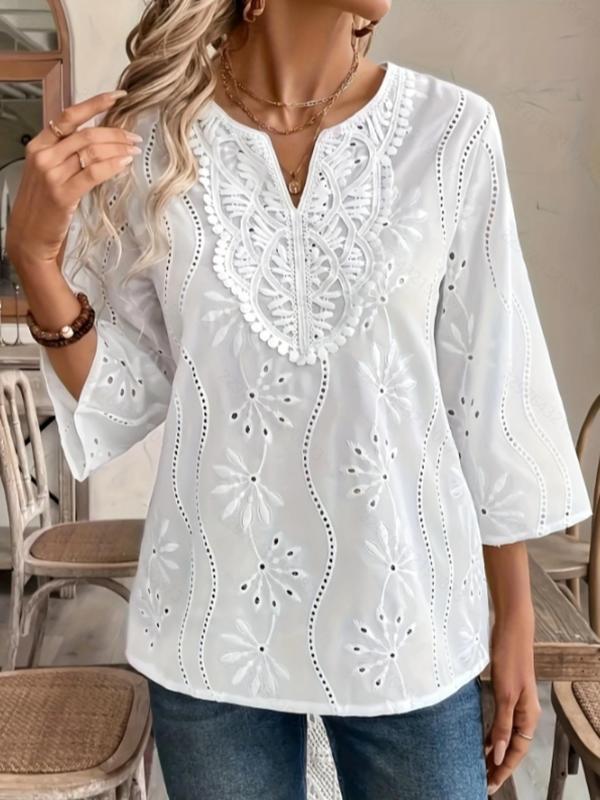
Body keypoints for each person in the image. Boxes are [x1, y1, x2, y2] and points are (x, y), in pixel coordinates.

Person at [6, 1, 593, 798]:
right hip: (212, 627)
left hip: (409, 626)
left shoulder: (450, 131)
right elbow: (124, 392)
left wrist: (514, 615)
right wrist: (36, 260)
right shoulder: (154, 143)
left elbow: (486, 389)